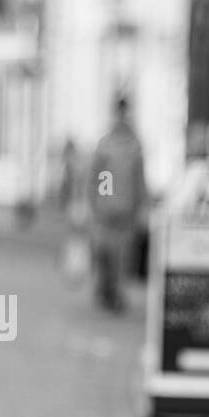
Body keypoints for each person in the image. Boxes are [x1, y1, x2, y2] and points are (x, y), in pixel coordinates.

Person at [89, 96, 147, 313]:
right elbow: (99, 176)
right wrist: (100, 201)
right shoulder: (105, 144)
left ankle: (117, 293)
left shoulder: (135, 145)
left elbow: (139, 178)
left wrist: (142, 205)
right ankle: (105, 287)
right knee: (105, 250)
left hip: (128, 208)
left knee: (123, 255)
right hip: (107, 208)